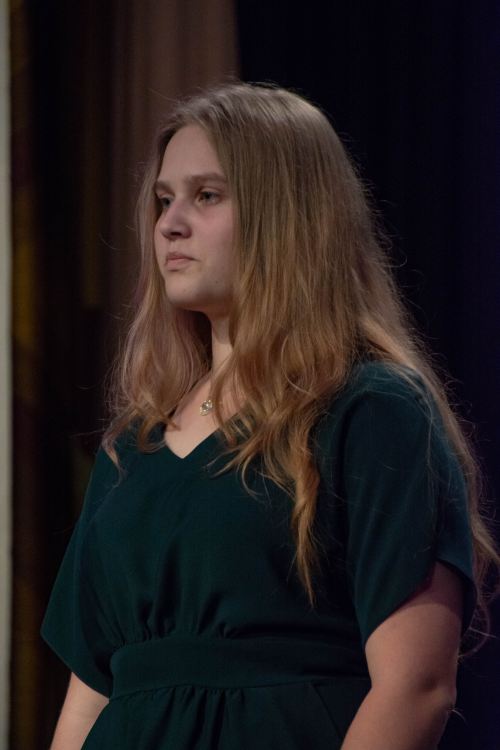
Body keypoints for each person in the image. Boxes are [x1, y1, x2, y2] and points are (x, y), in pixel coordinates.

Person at [41, 80, 499, 750]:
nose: (169, 224)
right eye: (164, 200)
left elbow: (416, 687)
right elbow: (89, 697)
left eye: (206, 195)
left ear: (286, 213)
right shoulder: (132, 449)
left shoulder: (370, 410)